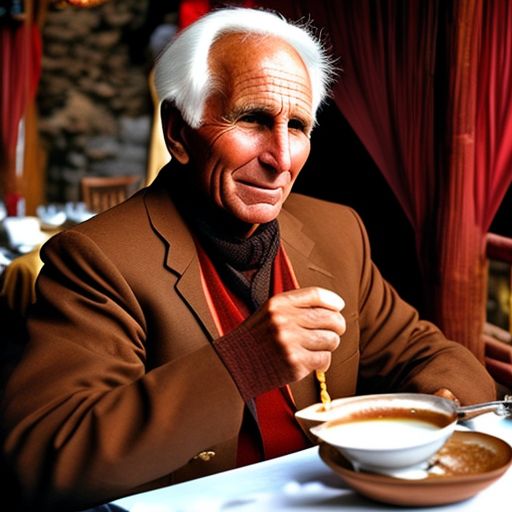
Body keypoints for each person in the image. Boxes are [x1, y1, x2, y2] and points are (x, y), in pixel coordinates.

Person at [0, 7, 496, 512]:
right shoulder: (98, 258)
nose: (281, 158)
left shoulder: (337, 230)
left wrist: (442, 409)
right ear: (178, 132)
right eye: (254, 119)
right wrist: (241, 364)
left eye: (297, 126)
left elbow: (426, 354)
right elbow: (44, 459)